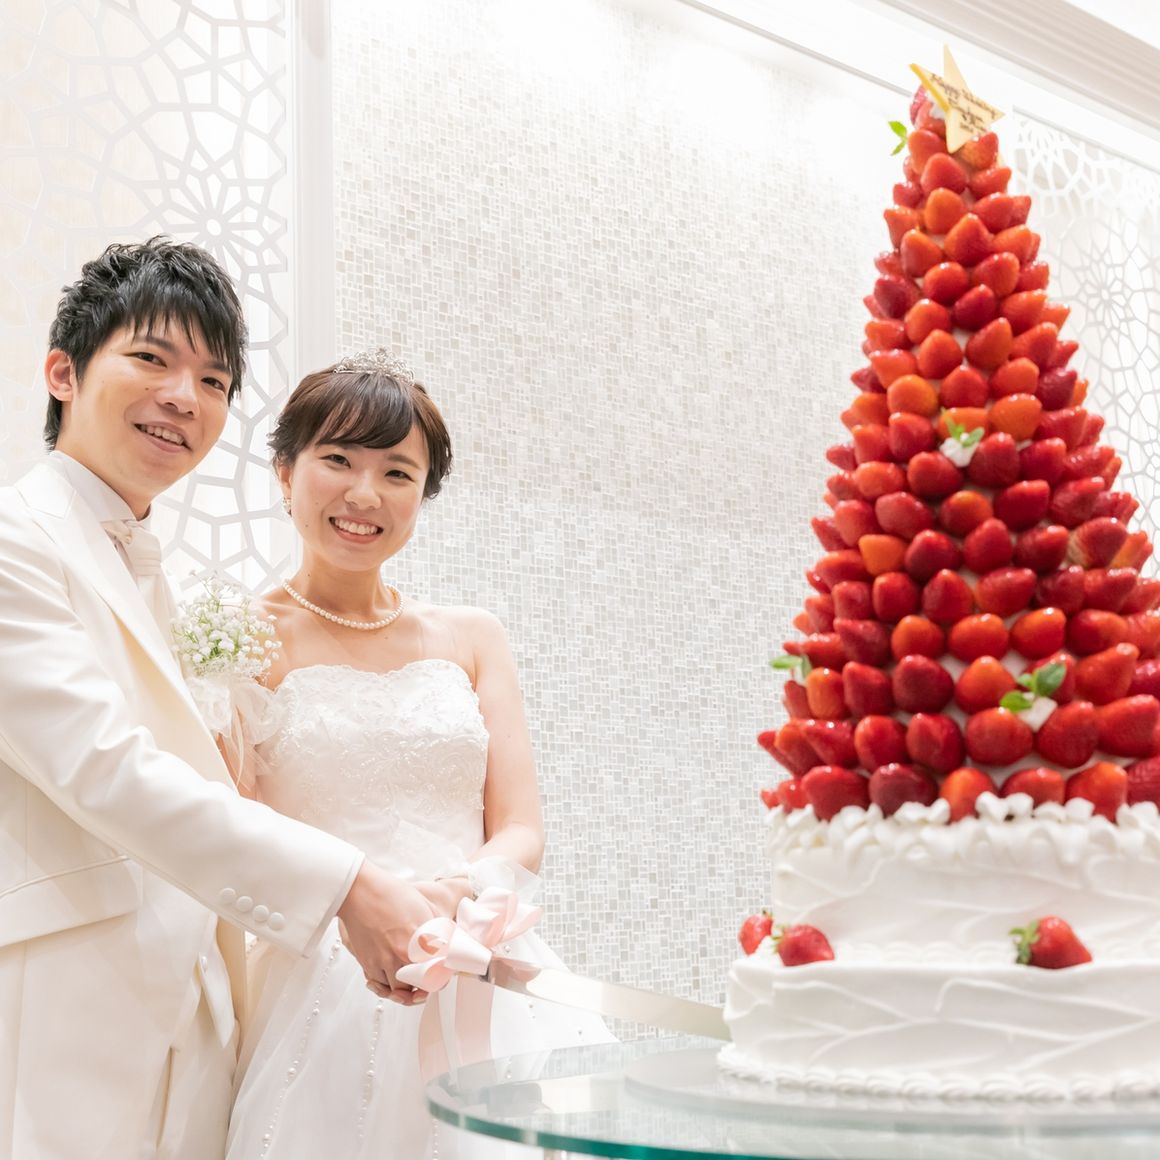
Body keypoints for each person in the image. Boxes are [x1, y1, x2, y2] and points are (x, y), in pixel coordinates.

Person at [0, 240, 444, 1160]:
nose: (184, 398)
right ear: (62, 373)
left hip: (200, 1006)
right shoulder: (15, 540)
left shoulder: (146, 564)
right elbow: (103, 766)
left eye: (213, 380)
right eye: (152, 359)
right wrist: (348, 885)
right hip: (65, 1002)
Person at [225, 350, 610, 1159]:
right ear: (286, 473)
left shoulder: (472, 636)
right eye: (338, 460)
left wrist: (459, 895)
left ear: (423, 495)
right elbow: (236, 827)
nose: (365, 494)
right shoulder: (236, 640)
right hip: (328, 974)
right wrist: (368, 903)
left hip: (482, 956)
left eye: (397, 473)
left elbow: (521, 829)